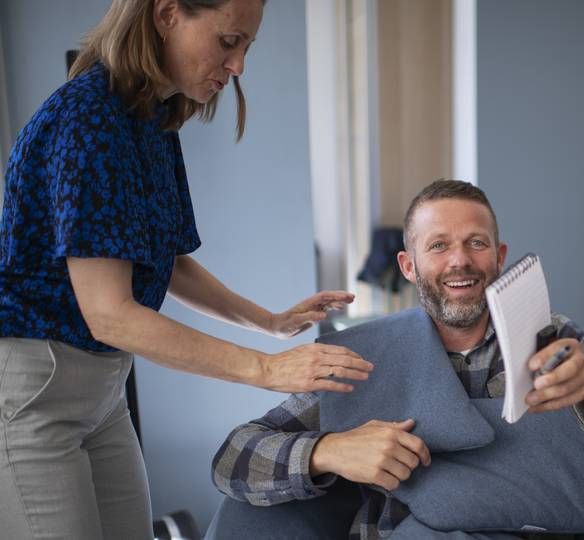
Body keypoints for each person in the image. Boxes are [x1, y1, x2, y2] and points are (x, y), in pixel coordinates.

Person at [0, 1, 372, 538]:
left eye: (246, 47)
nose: (239, 65)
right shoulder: (89, 117)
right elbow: (110, 315)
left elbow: (166, 260)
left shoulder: (151, 118)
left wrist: (268, 321)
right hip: (39, 389)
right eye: (228, 42)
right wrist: (265, 370)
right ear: (167, 14)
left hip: (104, 389)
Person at [210, 180, 584, 539]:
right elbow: (232, 459)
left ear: (499, 257)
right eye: (438, 245)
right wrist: (327, 451)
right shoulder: (359, 360)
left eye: (475, 243)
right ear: (409, 265)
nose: (459, 260)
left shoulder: (552, 340)